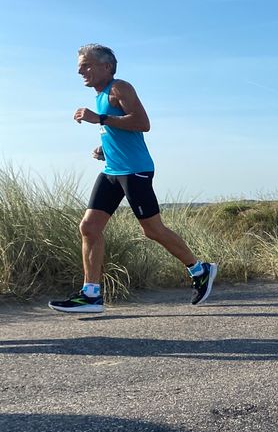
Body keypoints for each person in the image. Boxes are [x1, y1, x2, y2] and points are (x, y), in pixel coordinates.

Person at [50, 44, 218, 314]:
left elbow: (142, 123)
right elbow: (120, 130)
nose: (80, 70)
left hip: (135, 171)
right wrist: (105, 148)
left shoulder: (120, 88)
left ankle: (199, 269)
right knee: (89, 228)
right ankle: (90, 294)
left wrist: (100, 118)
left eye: (87, 64)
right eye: (80, 65)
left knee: (152, 230)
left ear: (107, 67)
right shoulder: (101, 94)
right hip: (113, 171)